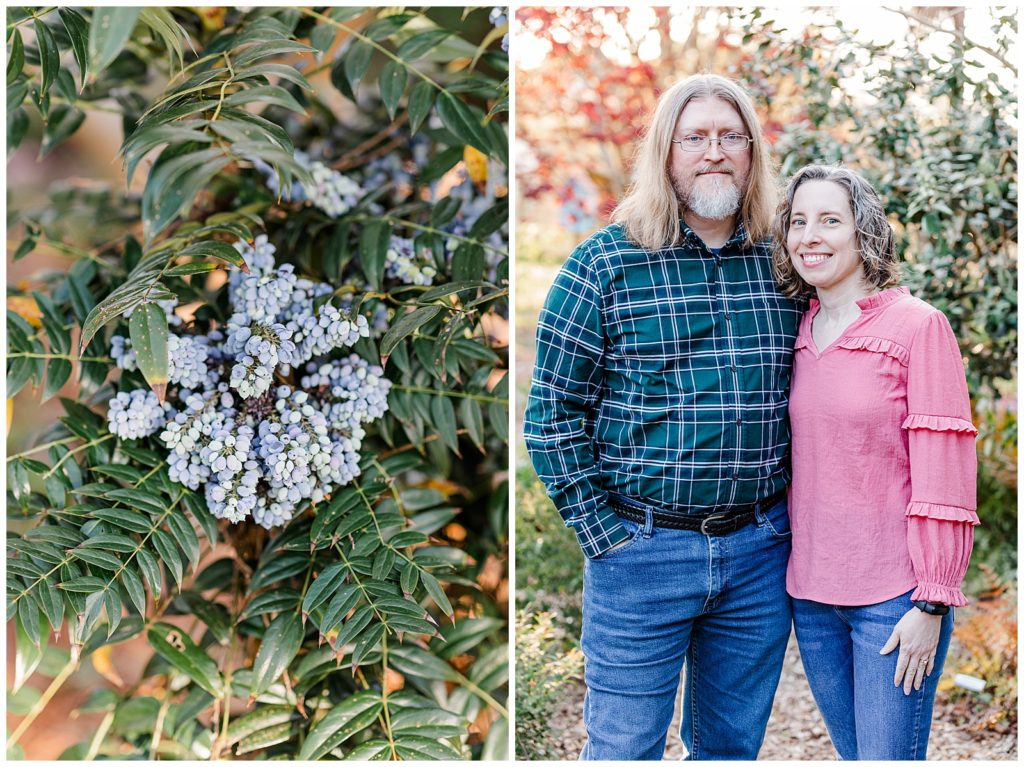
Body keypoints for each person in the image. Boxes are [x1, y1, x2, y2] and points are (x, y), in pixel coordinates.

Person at [524, 74, 803, 760]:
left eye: (730, 136)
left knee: (732, 748)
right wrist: (605, 535)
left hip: (759, 551)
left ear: (752, 153)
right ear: (666, 153)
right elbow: (552, 411)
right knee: (622, 748)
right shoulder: (604, 265)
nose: (715, 152)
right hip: (642, 551)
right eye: (696, 137)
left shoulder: (786, 264)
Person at [773, 164, 978, 760]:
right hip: (812, 597)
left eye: (829, 220)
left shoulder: (918, 327)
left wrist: (932, 601)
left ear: (863, 232)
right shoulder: (799, 329)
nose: (810, 235)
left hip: (894, 599)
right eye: (798, 221)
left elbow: (946, 469)